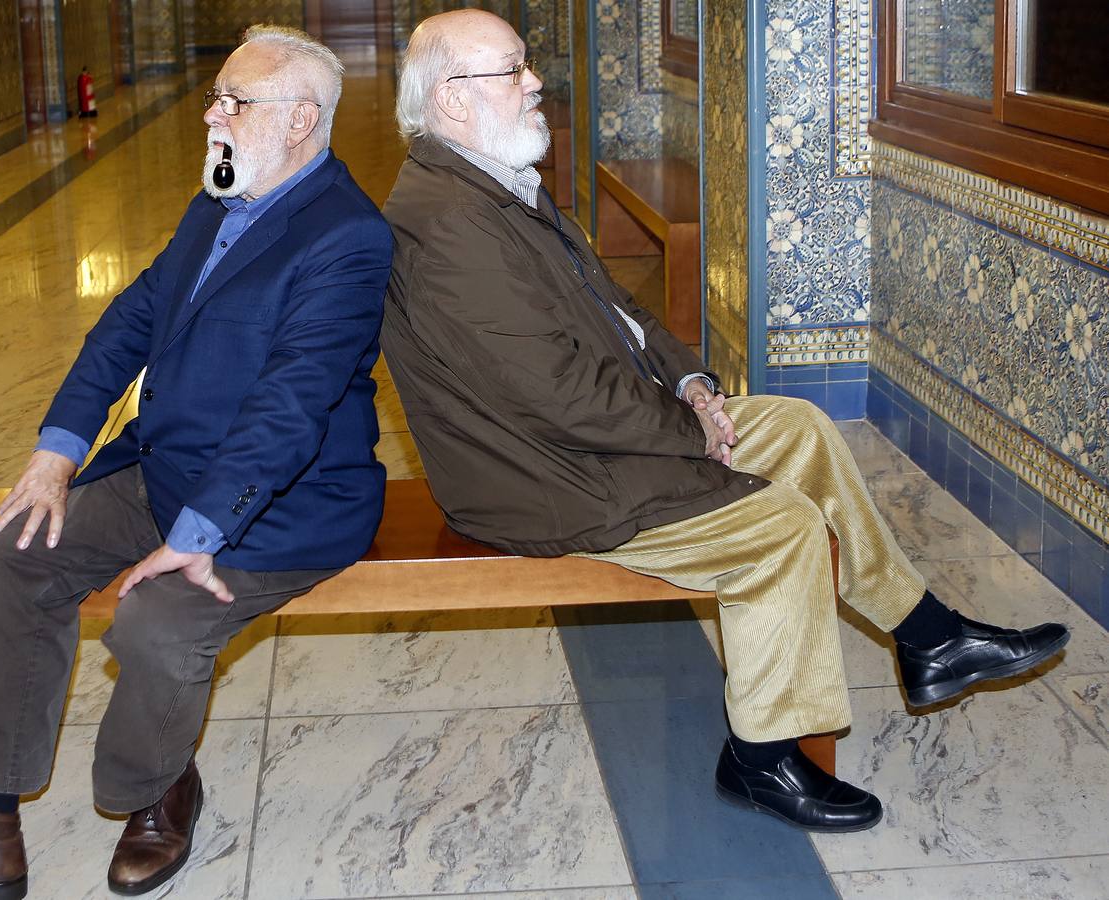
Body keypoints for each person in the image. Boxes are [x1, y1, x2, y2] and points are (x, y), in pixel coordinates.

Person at [379, 9, 1069, 834]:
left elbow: (619, 312)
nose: (535, 84)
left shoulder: (486, 178)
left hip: (578, 440)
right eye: (513, 70)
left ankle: (930, 637)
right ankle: (761, 758)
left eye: (526, 66)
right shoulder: (450, 222)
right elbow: (556, 393)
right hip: (538, 476)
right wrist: (689, 431)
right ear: (452, 99)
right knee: (780, 526)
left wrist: (695, 384)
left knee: (798, 427)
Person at [0, 26, 392, 899]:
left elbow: (293, 406)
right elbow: (130, 320)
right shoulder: (221, 195)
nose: (212, 114)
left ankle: (156, 790)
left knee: (156, 623)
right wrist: (57, 452)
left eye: (234, 102)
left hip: (281, 504)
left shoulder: (348, 238)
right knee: (19, 549)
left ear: (299, 121)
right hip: (164, 468)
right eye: (218, 96)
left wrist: (202, 531)